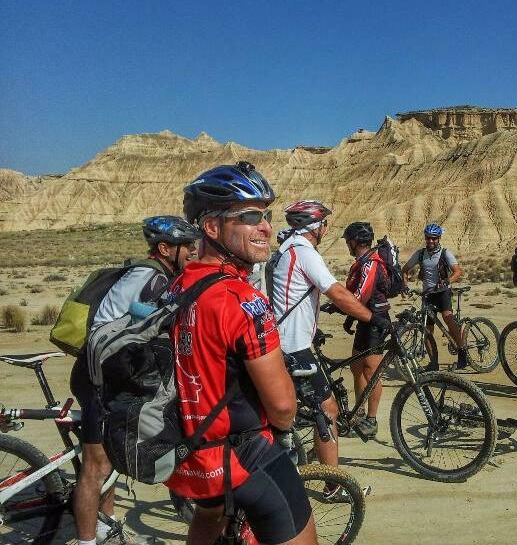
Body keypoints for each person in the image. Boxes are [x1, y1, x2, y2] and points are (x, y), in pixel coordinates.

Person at [170, 161, 316, 545]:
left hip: (192, 454)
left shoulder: (176, 287)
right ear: (211, 227)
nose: (265, 226)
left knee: (208, 518)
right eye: (250, 217)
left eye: (266, 215)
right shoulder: (242, 300)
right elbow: (282, 408)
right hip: (244, 456)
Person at [71, 216, 200, 545]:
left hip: (115, 371)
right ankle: (86, 540)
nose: (193, 251)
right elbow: (115, 327)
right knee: (95, 465)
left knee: (114, 454)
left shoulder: (159, 276)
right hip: (99, 374)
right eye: (187, 246)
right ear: (165, 249)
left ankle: (107, 524)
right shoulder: (149, 277)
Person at [271, 202, 390, 482]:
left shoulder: (286, 249)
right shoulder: (304, 252)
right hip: (293, 347)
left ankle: (304, 456)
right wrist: (372, 318)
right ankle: (333, 485)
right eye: (324, 224)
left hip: (287, 341)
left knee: (306, 408)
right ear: (314, 226)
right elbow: (337, 293)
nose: (326, 229)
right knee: (327, 410)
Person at [341, 222, 391, 438]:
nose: (347, 245)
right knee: (356, 367)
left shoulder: (371, 262)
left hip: (376, 321)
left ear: (355, 241)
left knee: (371, 371)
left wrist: (339, 306)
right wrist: (349, 317)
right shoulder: (361, 263)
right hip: (364, 319)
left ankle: (371, 420)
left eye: (348, 241)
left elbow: (361, 296)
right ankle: (358, 414)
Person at [401, 223, 467, 370]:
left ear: (439, 238)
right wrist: (404, 285)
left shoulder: (445, 253)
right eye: (428, 238)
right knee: (427, 329)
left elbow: (457, 272)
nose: (430, 241)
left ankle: (463, 353)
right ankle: (433, 363)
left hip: (443, 292)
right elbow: (404, 269)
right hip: (428, 294)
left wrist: (447, 281)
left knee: (448, 318)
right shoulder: (420, 254)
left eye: (434, 238)